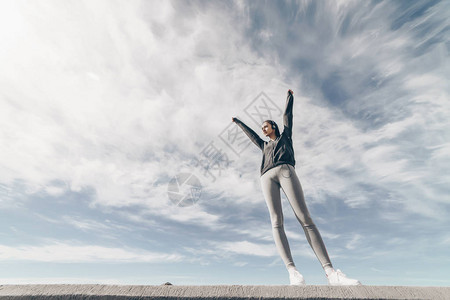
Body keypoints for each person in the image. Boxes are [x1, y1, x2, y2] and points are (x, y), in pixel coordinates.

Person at [231, 89, 361, 286]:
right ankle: (292, 271)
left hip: (286, 171)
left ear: (273, 127)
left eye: (266, 126)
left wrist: (289, 98)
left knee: (304, 217)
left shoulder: (285, 137)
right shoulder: (264, 145)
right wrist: (239, 122)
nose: (263, 129)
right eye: (262, 128)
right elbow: (251, 136)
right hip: (266, 177)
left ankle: (331, 272)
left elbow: (287, 116)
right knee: (276, 221)